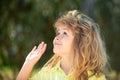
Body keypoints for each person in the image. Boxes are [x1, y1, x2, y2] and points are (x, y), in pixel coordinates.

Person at [17, 10, 109, 80]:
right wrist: (28, 63)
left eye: (65, 33)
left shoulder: (95, 77)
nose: (57, 37)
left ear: (80, 42)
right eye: (58, 33)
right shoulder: (47, 72)